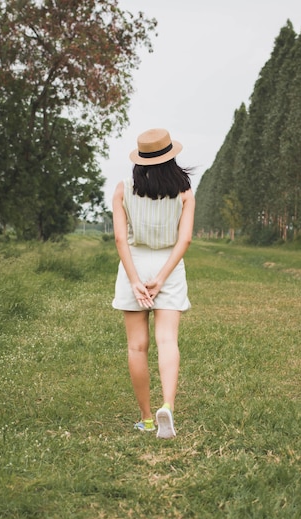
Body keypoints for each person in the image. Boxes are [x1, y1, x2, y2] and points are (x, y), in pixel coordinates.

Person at [112, 128, 195, 439]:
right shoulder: (185, 193)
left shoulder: (123, 189)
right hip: (168, 268)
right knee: (167, 341)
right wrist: (161, 278)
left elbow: (120, 238)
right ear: (171, 158)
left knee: (137, 347)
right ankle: (168, 408)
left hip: (133, 264)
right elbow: (184, 239)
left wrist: (136, 281)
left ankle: (147, 419)